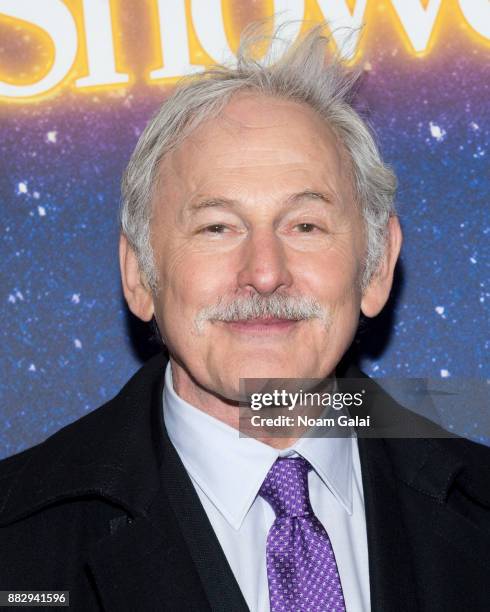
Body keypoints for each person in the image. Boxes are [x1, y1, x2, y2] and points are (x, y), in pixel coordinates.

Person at [1, 26, 489, 612]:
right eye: (216, 227)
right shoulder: (18, 549)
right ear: (139, 275)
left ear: (378, 266)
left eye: (304, 226)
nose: (263, 272)